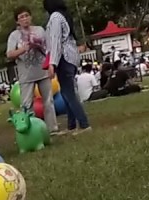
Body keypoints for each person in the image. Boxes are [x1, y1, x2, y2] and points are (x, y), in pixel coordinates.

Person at [7, 7, 59, 135]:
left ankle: (52, 129)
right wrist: (23, 49)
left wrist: (39, 46)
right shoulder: (14, 35)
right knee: (26, 105)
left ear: (31, 17)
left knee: (48, 101)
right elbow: (9, 54)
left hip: (42, 71)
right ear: (17, 21)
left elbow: (49, 49)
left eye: (26, 16)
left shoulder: (40, 30)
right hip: (26, 75)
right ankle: (30, 130)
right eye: (21, 17)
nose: (25, 19)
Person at [43, 0, 90, 133]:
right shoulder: (65, 15)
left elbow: (56, 41)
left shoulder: (55, 17)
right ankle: (71, 125)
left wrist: (52, 63)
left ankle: (84, 124)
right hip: (72, 57)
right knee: (66, 91)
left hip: (63, 57)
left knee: (68, 93)